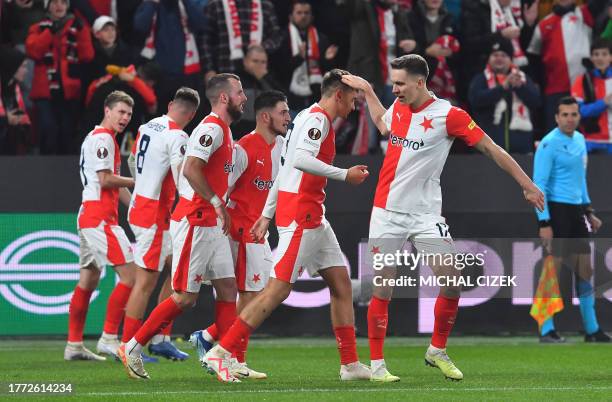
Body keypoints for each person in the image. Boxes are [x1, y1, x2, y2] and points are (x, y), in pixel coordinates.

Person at [341, 54, 544, 381]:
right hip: (386, 213)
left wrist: (526, 184)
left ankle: (436, 350)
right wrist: (366, 89)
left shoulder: (449, 116)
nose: (395, 89)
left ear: (420, 82)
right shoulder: (400, 106)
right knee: (383, 290)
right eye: (392, 83)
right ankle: (377, 366)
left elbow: (492, 149)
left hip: (425, 215)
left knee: (452, 282)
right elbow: (382, 121)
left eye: (400, 83)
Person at [203, 69, 371, 383]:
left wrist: (266, 214)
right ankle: (221, 351)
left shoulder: (306, 117)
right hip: (302, 216)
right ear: (338, 94)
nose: (355, 103)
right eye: (353, 97)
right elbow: (301, 162)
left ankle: (350, 365)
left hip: (313, 216)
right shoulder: (317, 120)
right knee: (276, 290)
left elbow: (284, 169)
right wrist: (344, 174)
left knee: (341, 283)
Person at [118, 74, 247, 380]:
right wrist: (216, 202)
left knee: (228, 288)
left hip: (211, 222)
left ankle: (224, 357)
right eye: (240, 92)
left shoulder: (224, 131)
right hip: (196, 221)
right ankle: (132, 345)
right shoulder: (211, 128)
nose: (245, 97)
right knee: (184, 297)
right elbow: (189, 170)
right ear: (225, 98)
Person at [190, 90, 291, 380]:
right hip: (241, 230)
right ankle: (231, 357)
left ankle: (211, 338)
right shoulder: (244, 149)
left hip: (258, 230)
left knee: (259, 294)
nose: (288, 117)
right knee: (252, 295)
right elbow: (225, 188)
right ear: (265, 116)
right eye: (283, 112)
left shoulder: (282, 145)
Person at [120, 87, 201, 362]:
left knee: (176, 269)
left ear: (170, 104)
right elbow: (182, 177)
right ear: (191, 116)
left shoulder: (147, 126)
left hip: (145, 207)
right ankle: (129, 346)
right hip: (153, 214)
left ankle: (160, 338)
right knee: (145, 282)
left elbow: (131, 160)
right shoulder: (178, 135)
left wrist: (144, 183)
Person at [65, 91, 137, 361]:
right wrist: (136, 182)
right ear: (107, 110)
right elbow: (107, 180)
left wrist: (135, 207)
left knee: (89, 278)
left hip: (90, 214)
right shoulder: (104, 139)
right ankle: (108, 338)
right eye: (120, 112)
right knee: (131, 276)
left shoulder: (100, 138)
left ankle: (73, 345)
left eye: (128, 114)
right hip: (99, 218)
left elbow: (112, 186)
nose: (125, 118)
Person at [533, 96, 611, 343]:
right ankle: (546, 329)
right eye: (564, 114)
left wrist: (588, 211)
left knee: (585, 271)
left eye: (573, 114)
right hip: (556, 211)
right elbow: (539, 186)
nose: (569, 119)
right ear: (556, 118)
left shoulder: (580, 140)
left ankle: (592, 330)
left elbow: (581, 180)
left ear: (579, 116)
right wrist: (544, 223)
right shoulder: (548, 144)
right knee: (552, 271)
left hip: (576, 212)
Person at [25, 0, 94, 154]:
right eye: (54, 2)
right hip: (45, 90)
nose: (59, 6)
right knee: (49, 129)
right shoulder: (37, 28)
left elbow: (87, 56)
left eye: (63, 2)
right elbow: (34, 51)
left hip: (69, 89)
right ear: (47, 6)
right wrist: (49, 32)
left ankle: (64, 174)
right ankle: (45, 171)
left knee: (67, 132)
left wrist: (83, 32)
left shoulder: (78, 27)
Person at [527, 0, 607, 130]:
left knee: (584, 135)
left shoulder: (585, 14)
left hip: (585, 88)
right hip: (555, 89)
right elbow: (533, 58)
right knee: (556, 135)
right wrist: (528, 26)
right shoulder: (543, 24)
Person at [468, 38, 540, 153]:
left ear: (511, 59)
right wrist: (503, 88)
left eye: (503, 55)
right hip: (488, 149)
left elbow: (536, 102)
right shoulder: (481, 79)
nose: (499, 58)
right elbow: (476, 100)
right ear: (489, 59)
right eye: (495, 55)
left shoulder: (522, 78)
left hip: (521, 149)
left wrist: (520, 87)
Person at [272, 0, 339, 111]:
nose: (303, 16)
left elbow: (327, 72)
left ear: (312, 16)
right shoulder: (282, 38)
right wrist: (299, 58)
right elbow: (278, 70)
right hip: (288, 98)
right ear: (290, 16)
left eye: (306, 13)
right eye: (299, 13)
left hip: (315, 96)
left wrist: (328, 60)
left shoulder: (321, 38)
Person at [201, 0, 282, 81]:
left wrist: (261, 47)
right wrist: (209, 69)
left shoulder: (265, 5)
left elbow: (276, 36)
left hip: (257, 75)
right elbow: (205, 40)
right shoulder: (216, 5)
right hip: (225, 73)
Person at [571, 38, 612, 152]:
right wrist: (603, 103)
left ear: (610, 57)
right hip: (592, 142)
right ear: (591, 58)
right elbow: (577, 111)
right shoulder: (582, 80)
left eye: (604, 54)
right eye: (596, 54)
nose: (600, 58)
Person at [234, 44, 283, 137]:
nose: (259, 65)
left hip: (265, 133)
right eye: (255, 61)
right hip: (239, 133)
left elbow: (281, 103)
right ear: (245, 61)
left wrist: (263, 79)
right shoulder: (235, 80)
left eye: (263, 62)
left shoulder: (271, 80)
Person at [0, 45, 32, 155]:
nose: (26, 71)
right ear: (12, 67)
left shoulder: (14, 88)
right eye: (22, 67)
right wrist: (6, 120)